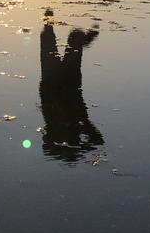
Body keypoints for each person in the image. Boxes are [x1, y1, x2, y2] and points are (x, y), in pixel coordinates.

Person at [39, 10, 104, 161]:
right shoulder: (80, 124)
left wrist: (70, 152)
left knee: (48, 40)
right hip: (69, 86)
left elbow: (46, 147)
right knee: (75, 36)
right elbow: (98, 140)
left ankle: (48, 25)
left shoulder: (53, 130)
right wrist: (79, 151)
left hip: (51, 85)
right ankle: (79, 39)